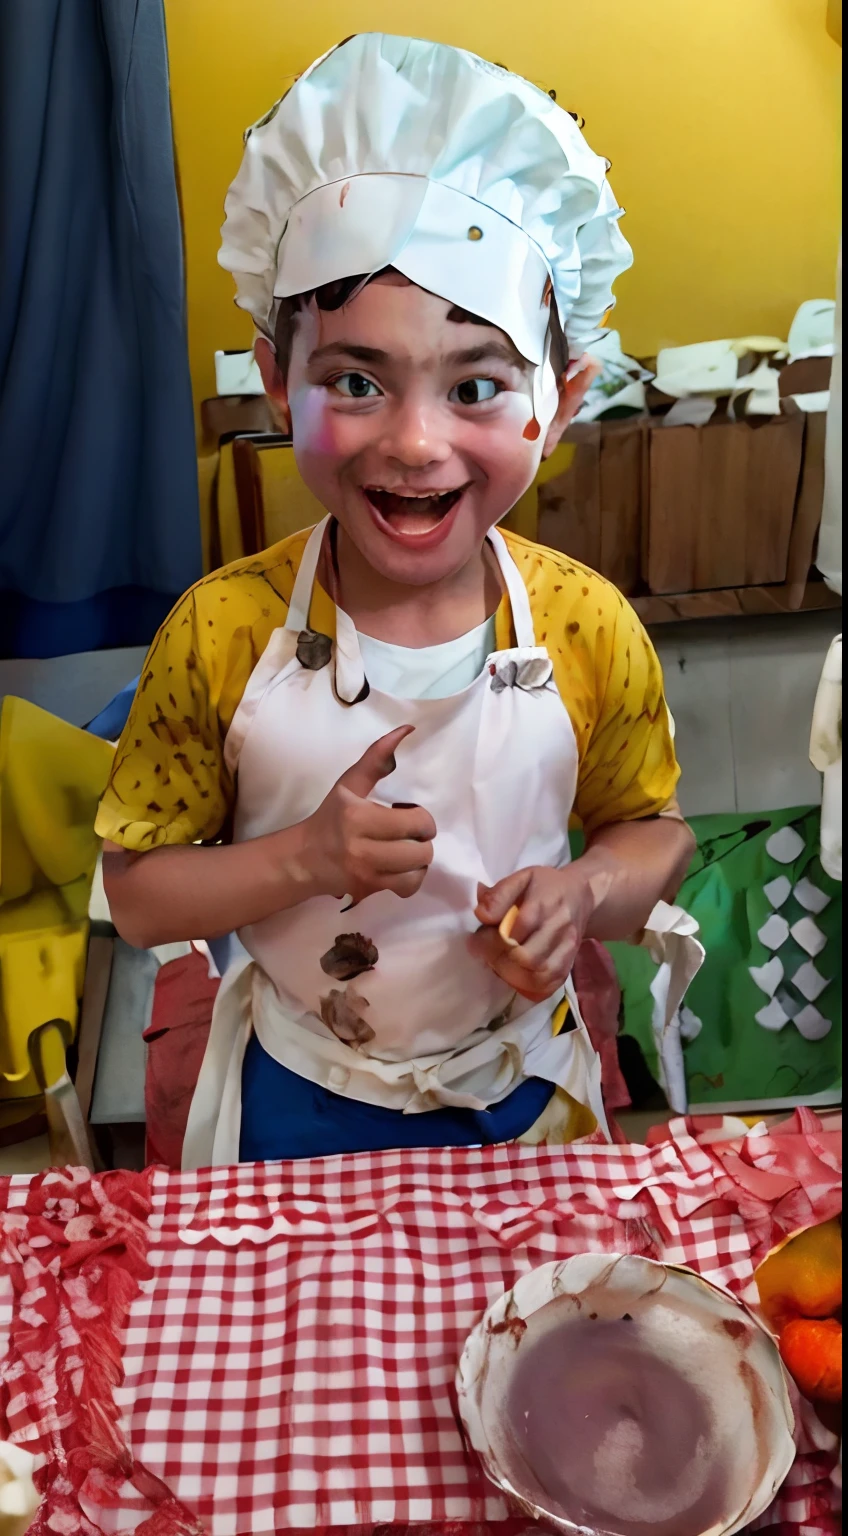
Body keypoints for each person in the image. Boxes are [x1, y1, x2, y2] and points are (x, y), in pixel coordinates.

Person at [97, 34, 697, 1168]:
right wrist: (305, 859)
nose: (414, 444)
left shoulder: (585, 624)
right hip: (296, 1097)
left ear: (559, 399)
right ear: (279, 380)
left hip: (523, 1090)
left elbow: (652, 833)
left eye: (476, 385)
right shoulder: (220, 631)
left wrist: (586, 888)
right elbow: (137, 898)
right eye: (354, 382)